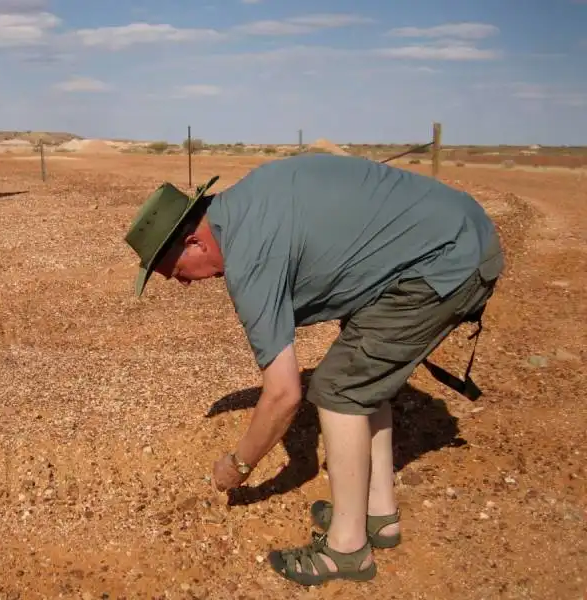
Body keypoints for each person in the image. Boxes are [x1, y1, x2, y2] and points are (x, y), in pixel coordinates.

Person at [123, 153, 504, 587]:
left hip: (447, 261)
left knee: (338, 388)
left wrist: (239, 464)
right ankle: (378, 516)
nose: (183, 283)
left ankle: (347, 549)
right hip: (452, 237)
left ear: (195, 243)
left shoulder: (248, 256)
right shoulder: (249, 199)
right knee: (361, 374)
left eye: (174, 272)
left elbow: (284, 394)